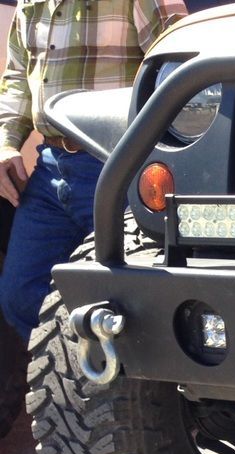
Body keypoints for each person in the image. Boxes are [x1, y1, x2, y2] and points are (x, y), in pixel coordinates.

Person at [0, 0, 186, 341]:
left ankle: (117, 386)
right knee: (20, 296)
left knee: (131, 297)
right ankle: (85, 378)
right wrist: (6, 143)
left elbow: (182, 63)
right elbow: (16, 77)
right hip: (50, 169)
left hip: (119, 166)